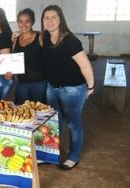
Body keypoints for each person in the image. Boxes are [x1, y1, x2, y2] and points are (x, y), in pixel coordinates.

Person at [41, 5, 94, 170]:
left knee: (72, 123)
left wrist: (91, 86)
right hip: (52, 88)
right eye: (46, 18)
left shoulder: (70, 40)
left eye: (53, 17)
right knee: (53, 123)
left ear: (61, 19)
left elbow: (85, 65)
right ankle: (51, 154)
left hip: (72, 89)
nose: (49, 21)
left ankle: (73, 156)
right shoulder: (44, 38)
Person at [13, 8, 46, 104]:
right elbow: (13, 60)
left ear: (33, 22)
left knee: (40, 114)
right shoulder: (15, 40)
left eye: (27, 21)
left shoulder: (40, 37)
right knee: (22, 114)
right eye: (20, 21)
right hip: (21, 84)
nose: (23, 24)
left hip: (39, 84)